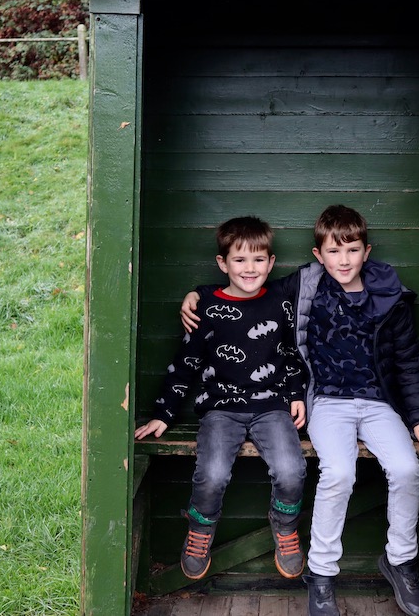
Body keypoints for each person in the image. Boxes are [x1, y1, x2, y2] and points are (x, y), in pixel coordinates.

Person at [181, 205, 419, 616]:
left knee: (408, 469)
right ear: (318, 255)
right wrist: (197, 292)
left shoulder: (391, 296)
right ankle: (321, 574)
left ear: (366, 251)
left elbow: (408, 361)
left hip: (378, 403)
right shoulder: (306, 285)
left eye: (353, 250)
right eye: (333, 252)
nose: (344, 260)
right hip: (327, 402)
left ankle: (400, 562)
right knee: (338, 472)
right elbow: (248, 290)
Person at [136, 216, 308, 582]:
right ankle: (200, 530)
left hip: (271, 407)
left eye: (259, 260)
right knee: (212, 474)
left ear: (271, 263)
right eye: (240, 260)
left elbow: (291, 355)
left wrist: (296, 395)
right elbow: (185, 365)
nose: (250, 268)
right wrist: (163, 414)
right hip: (221, 410)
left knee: (292, 470)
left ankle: (285, 525)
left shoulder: (280, 302)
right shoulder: (207, 307)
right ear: (223, 263)